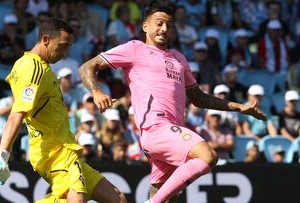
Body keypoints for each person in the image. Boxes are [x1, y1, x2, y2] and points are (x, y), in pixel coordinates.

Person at [78, 4, 267, 203]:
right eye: (159, 23)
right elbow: (86, 68)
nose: (164, 29)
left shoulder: (179, 58)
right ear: (145, 26)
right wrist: (96, 91)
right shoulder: (134, 48)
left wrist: (239, 107)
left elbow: (198, 98)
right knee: (208, 155)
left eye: (169, 25)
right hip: (156, 129)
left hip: (173, 131)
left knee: (169, 198)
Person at [0, 18, 126, 203]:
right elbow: (16, 114)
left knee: (117, 199)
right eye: (62, 46)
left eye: (68, 48)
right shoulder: (34, 69)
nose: (64, 54)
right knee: (77, 200)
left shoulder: (27, 65)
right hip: (55, 151)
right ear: (46, 39)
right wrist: (3, 155)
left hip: (65, 148)